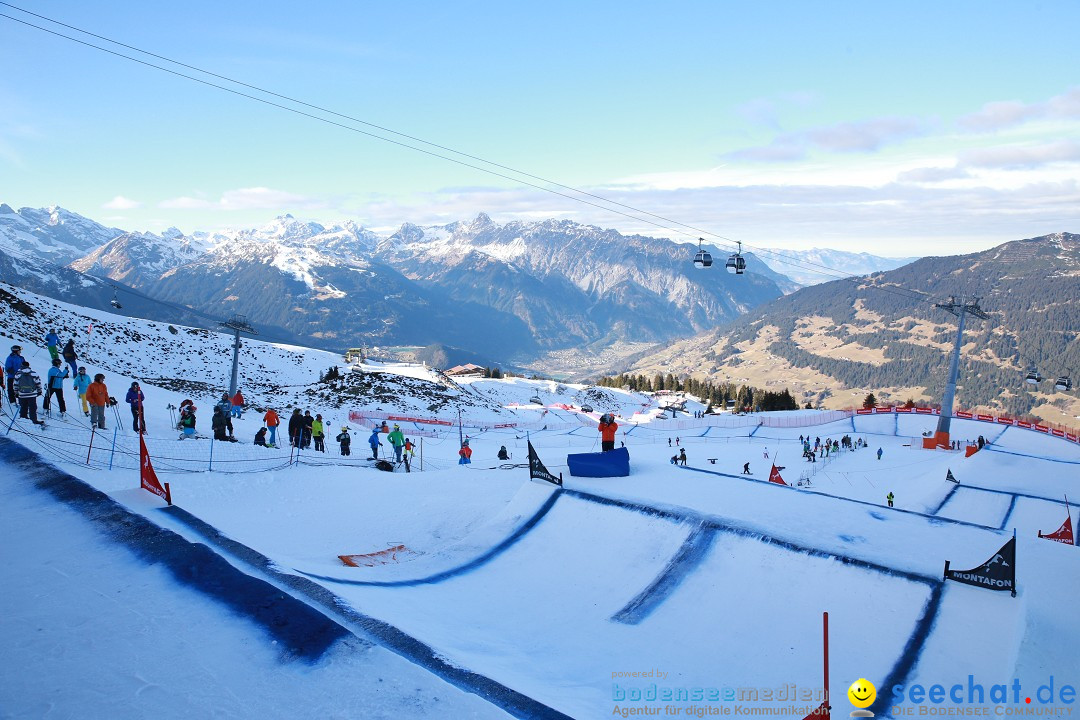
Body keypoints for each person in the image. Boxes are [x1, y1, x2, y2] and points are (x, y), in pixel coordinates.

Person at [14, 360, 44, 425]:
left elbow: (15, 384)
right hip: (32, 394)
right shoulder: (34, 373)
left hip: (22, 394)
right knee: (32, 407)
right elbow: (38, 383)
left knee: (23, 406)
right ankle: (33, 420)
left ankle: (23, 419)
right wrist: (39, 390)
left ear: (22, 366)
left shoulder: (18, 374)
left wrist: (16, 392)